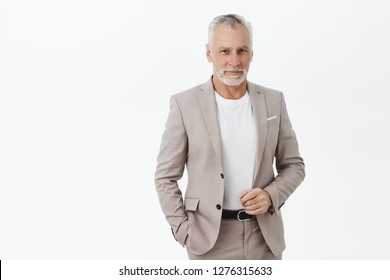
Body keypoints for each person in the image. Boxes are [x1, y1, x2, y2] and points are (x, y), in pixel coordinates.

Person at [154, 14, 305, 260]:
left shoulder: (273, 101)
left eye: (241, 50)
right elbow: (165, 177)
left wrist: (271, 195)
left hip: (264, 238)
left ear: (252, 54)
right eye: (225, 51)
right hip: (208, 241)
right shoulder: (185, 105)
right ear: (209, 53)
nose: (234, 61)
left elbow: (294, 165)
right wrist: (183, 232)